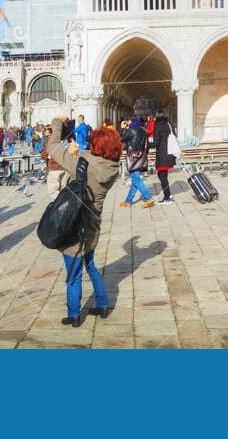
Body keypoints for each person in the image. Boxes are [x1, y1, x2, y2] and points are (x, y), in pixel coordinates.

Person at [55, 125, 123, 325]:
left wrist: (59, 124)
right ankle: (102, 304)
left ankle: (74, 314)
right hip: (92, 226)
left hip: (75, 225)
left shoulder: (84, 164)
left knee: (73, 274)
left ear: (96, 145)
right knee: (90, 265)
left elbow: (53, 147)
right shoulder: (112, 167)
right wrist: (79, 153)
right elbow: (93, 161)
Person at [120, 119, 154, 207]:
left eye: (128, 121)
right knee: (134, 180)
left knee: (136, 179)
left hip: (133, 157)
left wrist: (123, 128)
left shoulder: (132, 130)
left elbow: (121, 139)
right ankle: (128, 201)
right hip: (141, 156)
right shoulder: (143, 130)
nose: (127, 123)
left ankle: (148, 197)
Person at [151, 111, 178, 204]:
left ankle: (167, 197)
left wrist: (147, 144)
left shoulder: (157, 126)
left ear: (158, 117)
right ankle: (168, 194)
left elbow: (156, 143)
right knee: (163, 175)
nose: (154, 118)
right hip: (170, 153)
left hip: (162, 155)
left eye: (154, 116)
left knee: (162, 176)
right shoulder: (169, 124)